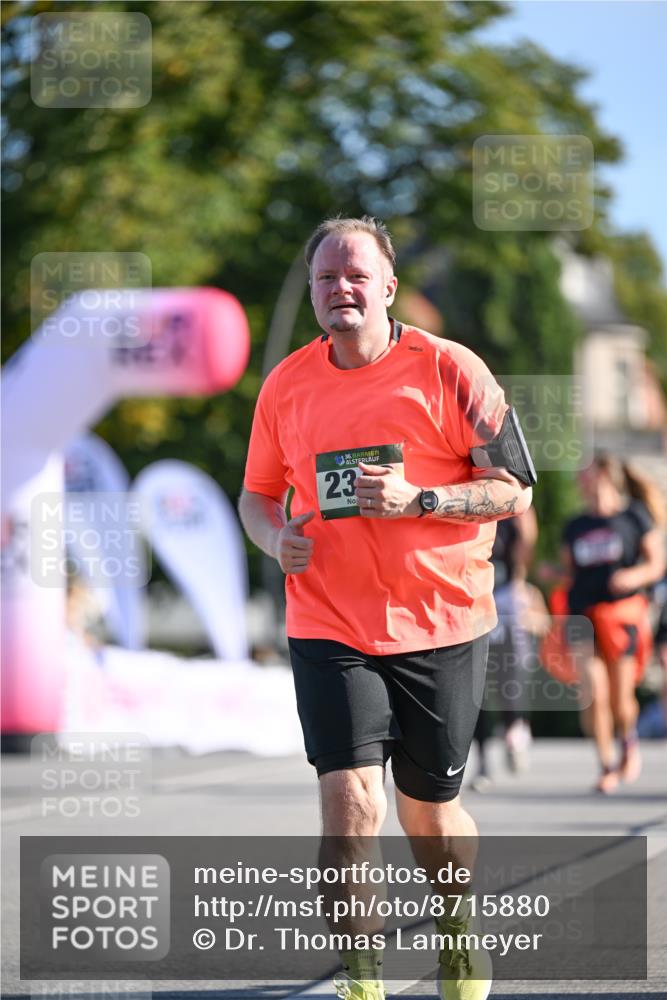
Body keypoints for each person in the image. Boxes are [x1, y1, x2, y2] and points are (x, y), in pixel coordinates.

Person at [239, 216, 535, 1000]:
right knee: (349, 808)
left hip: (440, 621)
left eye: (355, 275)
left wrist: (420, 498)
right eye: (326, 277)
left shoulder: (449, 370)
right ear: (310, 292)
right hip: (328, 621)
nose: (341, 287)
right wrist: (274, 543)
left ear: (387, 287)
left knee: (428, 817)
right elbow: (256, 496)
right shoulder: (286, 385)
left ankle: (457, 932)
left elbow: (513, 487)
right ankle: (361, 978)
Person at [561, 455, 665, 793]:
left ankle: (628, 740)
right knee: (593, 690)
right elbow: (569, 572)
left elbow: (655, 565)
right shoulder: (575, 525)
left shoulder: (633, 517)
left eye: (585, 472)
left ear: (603, 475)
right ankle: (606, 764)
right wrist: (551, 575)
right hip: (582, 614)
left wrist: (633, 575)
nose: (580, 479)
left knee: (621, 698)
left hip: (621, 614)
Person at [471, 508, 549, 790]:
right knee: (474, 684)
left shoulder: (511, 506)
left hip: (504, 595)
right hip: (471, 595)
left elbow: (526, 546)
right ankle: (481, 763)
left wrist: (521, 585)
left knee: (509, 674)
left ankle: (515, 726)